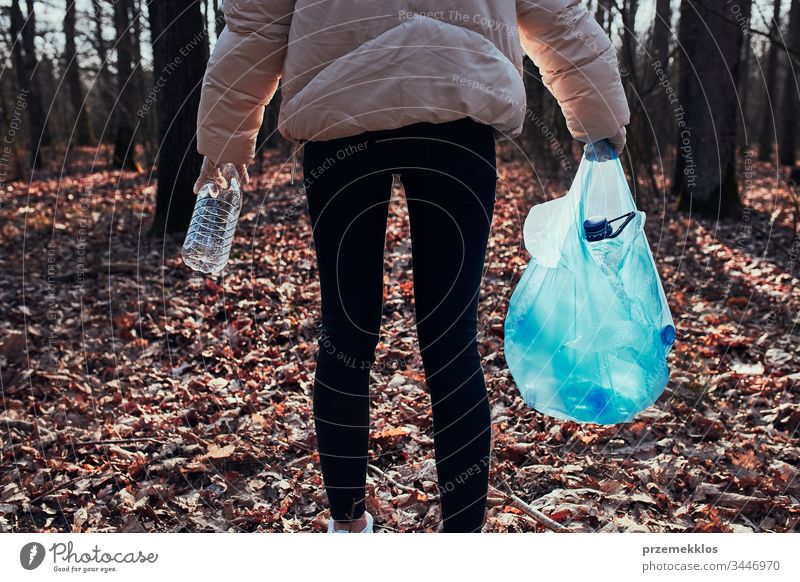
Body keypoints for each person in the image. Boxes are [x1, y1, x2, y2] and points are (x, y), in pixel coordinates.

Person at [194, 0, 629, 533]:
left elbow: (255, 26)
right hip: (459, 116)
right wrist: (600, 124)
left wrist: (222, 147)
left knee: (346, 335)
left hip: (340, 123)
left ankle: (348, 530)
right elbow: (558, 18)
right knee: (451, 340)